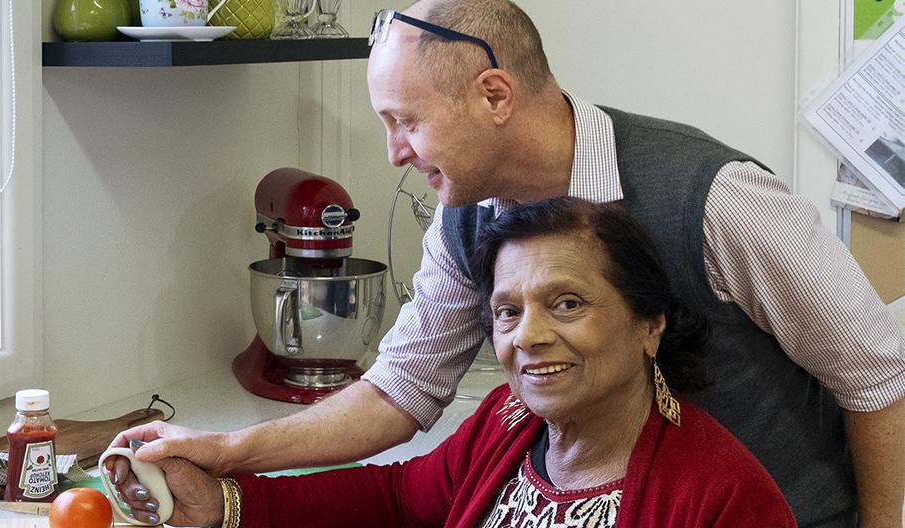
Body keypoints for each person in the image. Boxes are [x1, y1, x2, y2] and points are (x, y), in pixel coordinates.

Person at [112, 1, 905, 526]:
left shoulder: (717, 197)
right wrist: (228, 458)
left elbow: (877, 380)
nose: (394, 154)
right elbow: (401, 391)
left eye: (406, 122)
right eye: (511, 311)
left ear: (494, 95)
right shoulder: (467, 221)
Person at [108, 198, 798, 527]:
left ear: (650, 326)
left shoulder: (722, 496)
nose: (527, 337)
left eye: (566, 304)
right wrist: (224, 503)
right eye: (507, 311)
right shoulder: (505, 420)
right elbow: (396, 500)